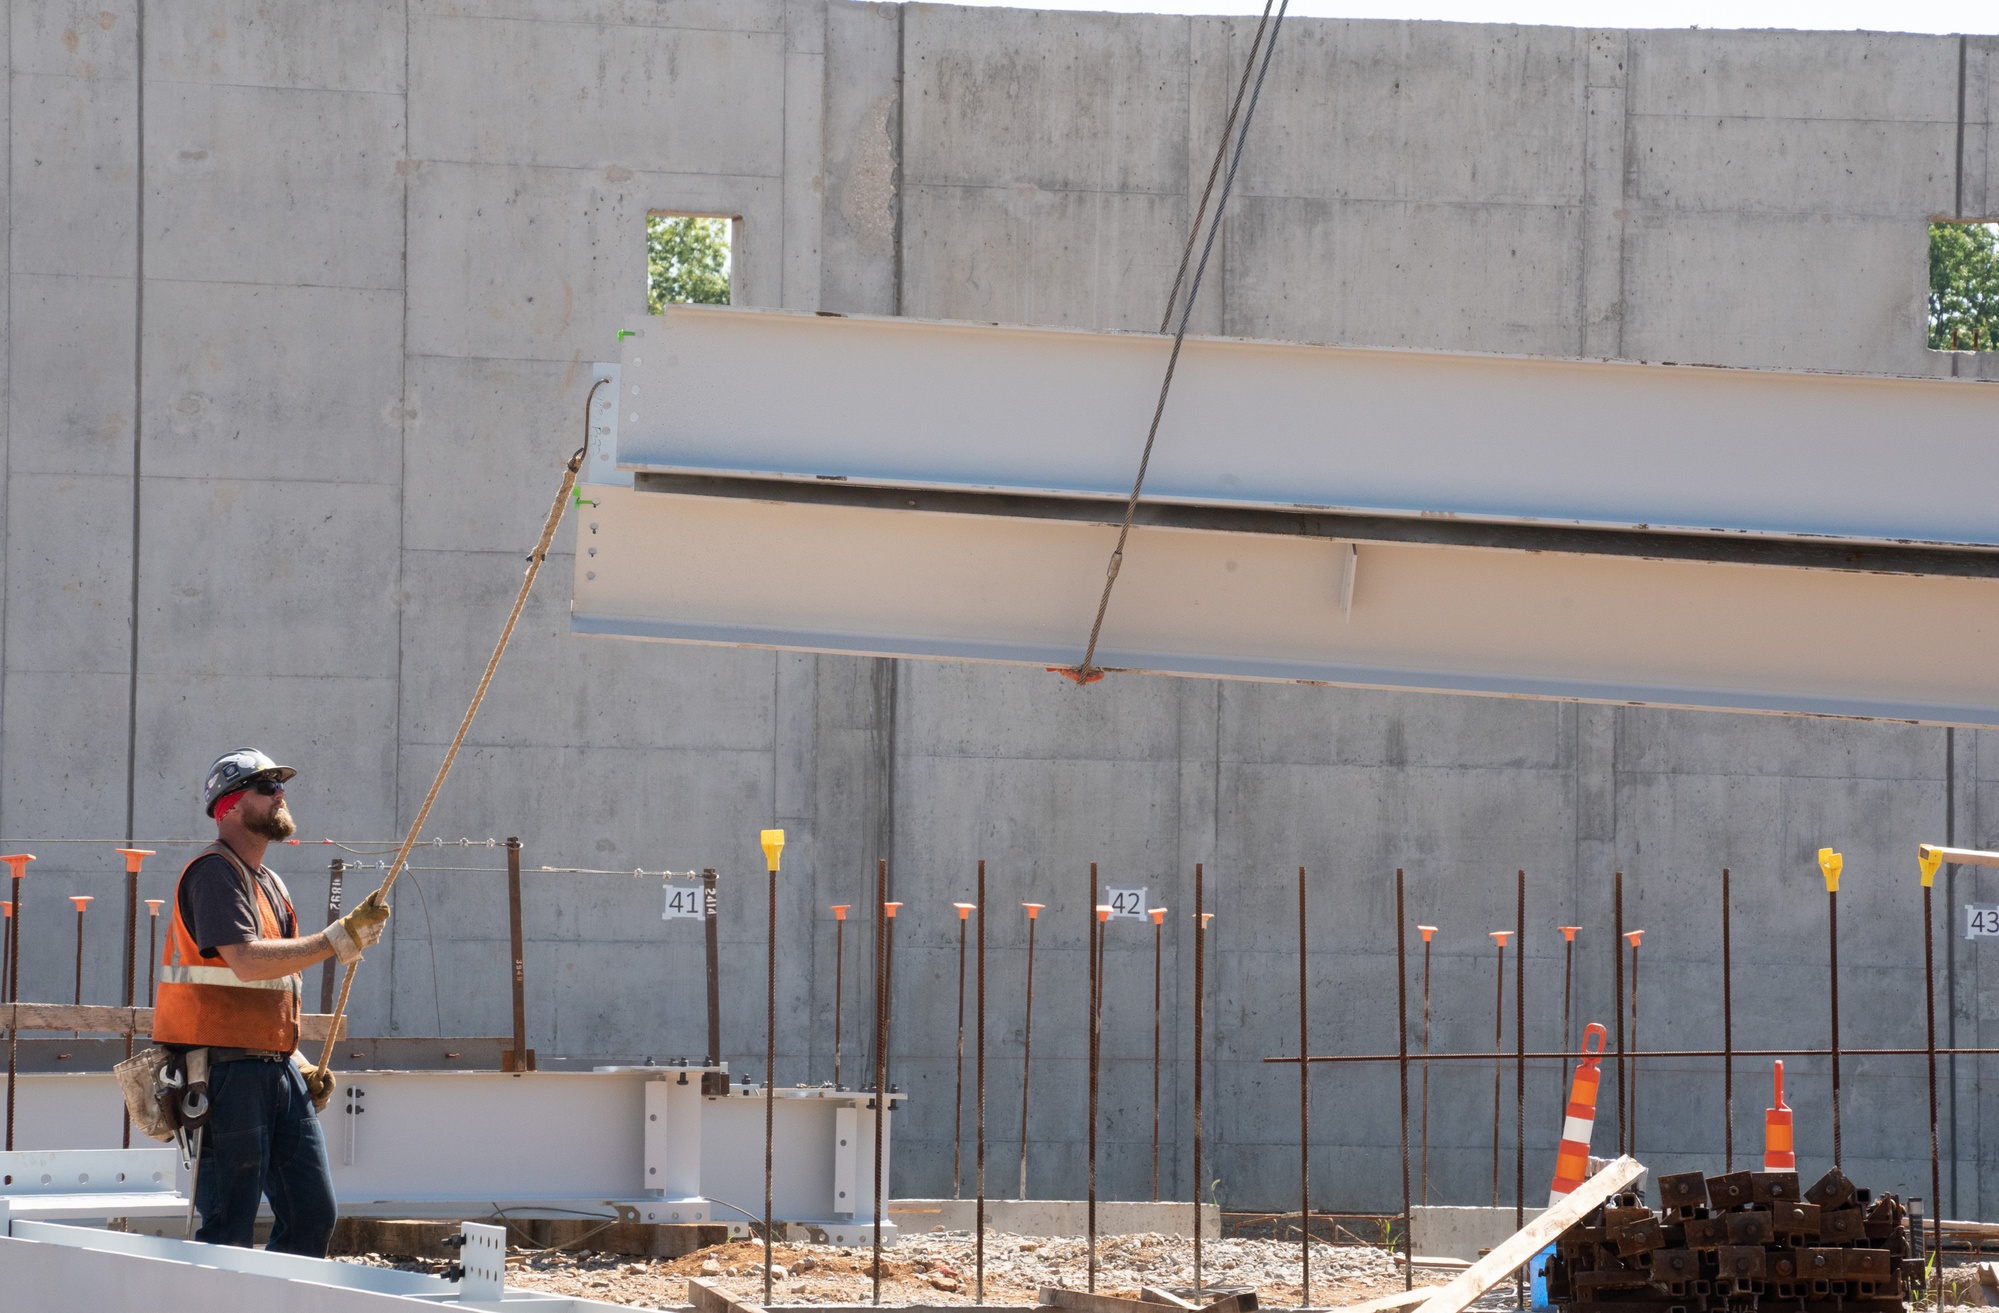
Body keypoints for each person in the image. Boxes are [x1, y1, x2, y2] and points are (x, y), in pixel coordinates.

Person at [150, 747, 391, 1254]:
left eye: (280, 784)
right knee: (229, 1227)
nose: (281, 794)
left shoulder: (269, 883)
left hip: (272, 1070)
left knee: (311, 1216)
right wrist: (338, 938)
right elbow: (247, 961)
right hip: (223, 1075)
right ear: (230, 807)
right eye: (267, 787)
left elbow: (270, 992)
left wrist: (299, 1064)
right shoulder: (213, 873)